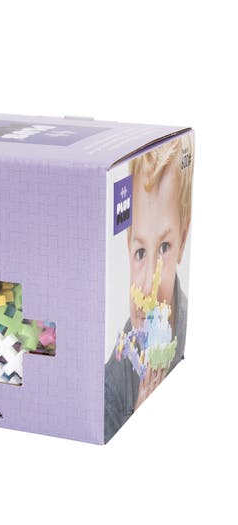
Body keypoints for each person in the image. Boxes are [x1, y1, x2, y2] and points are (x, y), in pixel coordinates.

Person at [105, 133, 194, 443]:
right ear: (127, 246)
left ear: (183, 240)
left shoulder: (193, 333)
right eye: (141, 252)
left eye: (165, 247)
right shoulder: (115, 378)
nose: (147, 287)